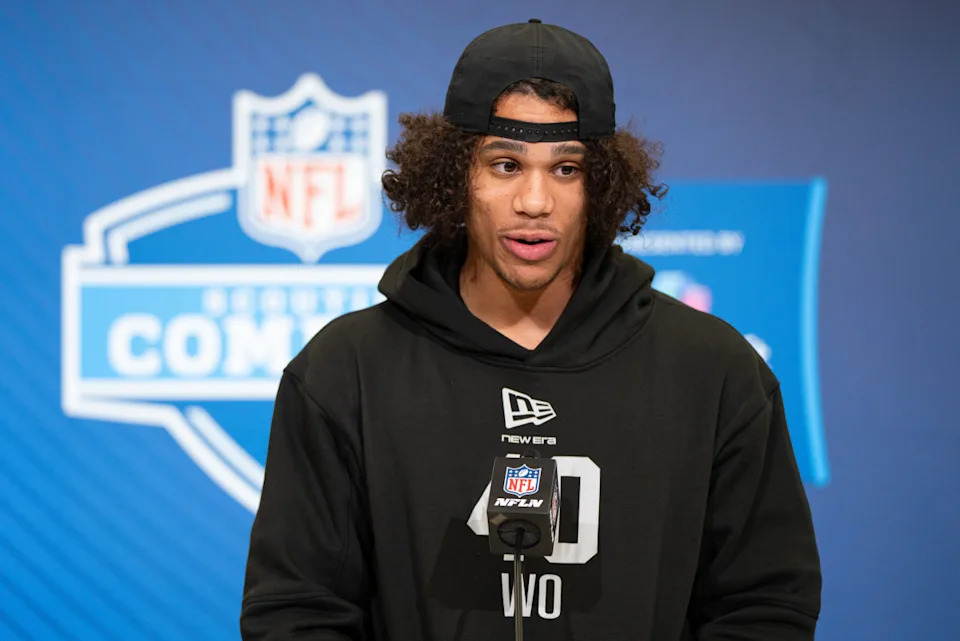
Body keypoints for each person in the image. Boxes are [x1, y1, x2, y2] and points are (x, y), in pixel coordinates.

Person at [240, 19, 821, 641]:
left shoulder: (713, 370)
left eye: (566, 168)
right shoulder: (345, 370)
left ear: (600, 185)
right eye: (506, 164)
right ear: (455, 177)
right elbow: (296, 611)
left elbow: (765, 606)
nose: (536, 201)